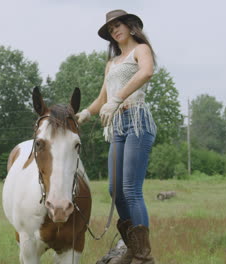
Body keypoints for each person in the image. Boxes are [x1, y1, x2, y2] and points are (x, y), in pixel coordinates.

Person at [75, 9, 157, 264]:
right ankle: (131, 246)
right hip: (117, 125)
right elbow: (103, 98)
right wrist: (85, 113)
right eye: (111, 30)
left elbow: (146, 72)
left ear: (131, 27)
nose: (115, 31)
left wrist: (119, 98)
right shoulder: (111, 63)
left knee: (131, 189)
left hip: (136, 120)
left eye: (118, 26)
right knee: (115, 190)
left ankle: (143, 255)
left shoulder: (140, 49)